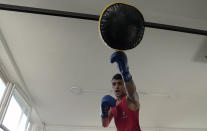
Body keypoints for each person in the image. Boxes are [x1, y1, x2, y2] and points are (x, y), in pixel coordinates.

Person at [100, 51, 141, 131]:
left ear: (124, 85)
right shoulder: (113, 104)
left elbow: (132, 93)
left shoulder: (129, 100)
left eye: (119, 83)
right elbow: (105, 124)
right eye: (114, 84)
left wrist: (125, 73)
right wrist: (103, 112)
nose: (116, 86)